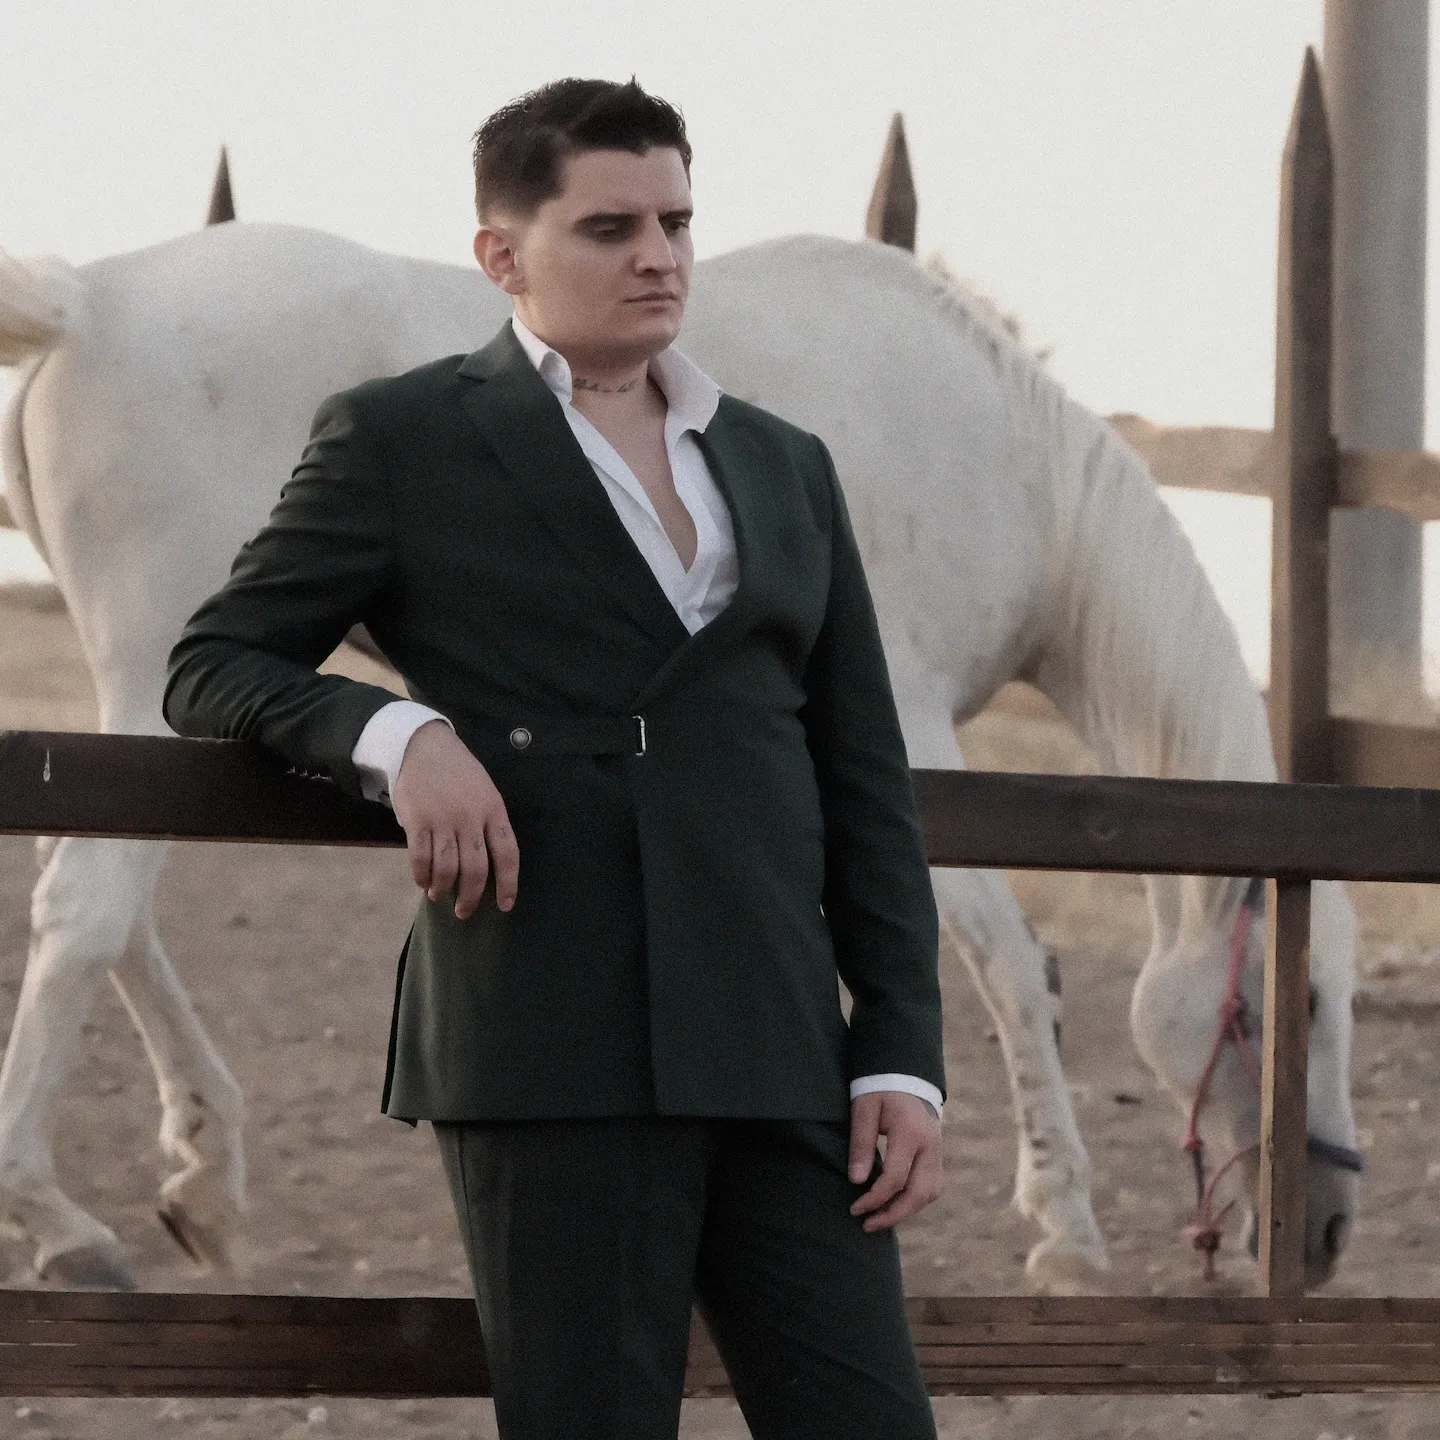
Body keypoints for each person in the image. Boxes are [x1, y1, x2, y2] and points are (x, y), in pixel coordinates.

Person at [164, 77, 945, 1440]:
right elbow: (214, 662)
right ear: (503, 254)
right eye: (609, 227)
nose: (658, 255)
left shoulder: (785, 464)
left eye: (676, 223)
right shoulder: (401, 440)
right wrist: (399, 734)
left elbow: (863, 779)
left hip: (777, 1039)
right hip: (550, 1033)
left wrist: (899, 1053)